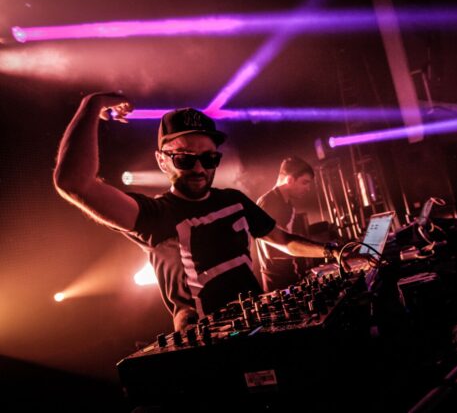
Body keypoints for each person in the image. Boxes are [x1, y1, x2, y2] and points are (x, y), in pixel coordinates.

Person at [53, 92, 366, 331]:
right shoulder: (155, 215)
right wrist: (92, 105)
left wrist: (334, 252)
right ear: (162, 160)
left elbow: (282, 240)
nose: (199, 168)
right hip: (211, 346)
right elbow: (74, 183)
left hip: (261, 326)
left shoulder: (234, 200)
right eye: (185, 159)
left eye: (209, 158)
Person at [256, 156, 315, 291]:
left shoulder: (287, 203)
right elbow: (272, 251)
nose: (308, 188)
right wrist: (316, 250)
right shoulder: (269, 202)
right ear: (289, 180)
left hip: (289, 277)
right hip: (278, 284)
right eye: (304, 182)